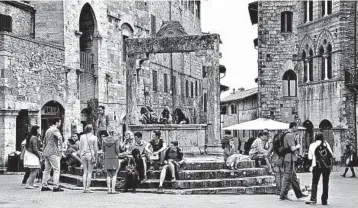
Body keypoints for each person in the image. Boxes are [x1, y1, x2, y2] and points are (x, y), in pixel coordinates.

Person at [279, 122, 308, 201]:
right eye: (296, 127)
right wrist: (298, 145)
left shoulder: (285, 134)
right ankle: (282, 195)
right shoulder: (290, 135)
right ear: (294, 127)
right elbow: (292, 148)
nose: (297, 128)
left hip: (287, 158)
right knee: (287, 176)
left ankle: (299, 194)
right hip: (289, 158)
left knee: (293, 177)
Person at [306, 133, 333, 205]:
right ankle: (324, 200)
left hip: (316, 165)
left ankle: (313, 198)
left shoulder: (312, 145)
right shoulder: (326, 144)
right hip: (326, 166)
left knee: (314, 182)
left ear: (315, 138)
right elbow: (331, 154)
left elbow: (309, 157)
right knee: (325, 183)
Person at [41, 118, 64, 192]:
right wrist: (61, 149)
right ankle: (56, 186)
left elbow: (44, 141)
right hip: (53, 152)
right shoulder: (55, 130)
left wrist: (43, 151)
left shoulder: (47, 130)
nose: (60, 124)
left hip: (46, 152)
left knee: (46, 170)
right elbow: (60, 138)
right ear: (57, 122)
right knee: (56, 169)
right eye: (60, 122)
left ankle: (44, 185)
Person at [79, 124, 98, 193]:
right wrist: (96, 156)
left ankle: (84, 188)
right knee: (90, 172)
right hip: (90, 155)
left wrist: (81, 155)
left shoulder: (82, 137)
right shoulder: (94, 137)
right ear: (92, 129)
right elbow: (95, 149)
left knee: (85, 172)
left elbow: (80, 147)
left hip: (83, 155)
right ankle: (87, 188)